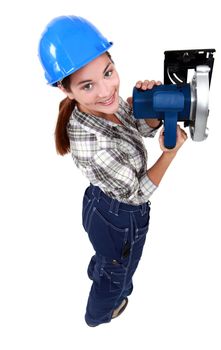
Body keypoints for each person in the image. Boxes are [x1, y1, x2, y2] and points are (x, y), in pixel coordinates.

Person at [38, 15, 188, 327]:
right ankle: (101, 311)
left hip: (99, 206)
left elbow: (135, 127)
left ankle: (103, 265)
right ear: (64, 89)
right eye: (88, 85)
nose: (107, 90)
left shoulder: (103, 103)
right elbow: (136, 194)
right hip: (120, 216)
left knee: (109, 258)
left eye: (108, 72)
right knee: (121, 269)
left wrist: (152, 108)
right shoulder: (93, 146)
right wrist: (168, 156)